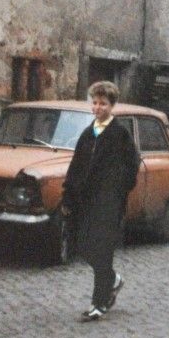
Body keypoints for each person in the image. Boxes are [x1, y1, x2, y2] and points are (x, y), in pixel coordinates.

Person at [63, 81, 140, 322]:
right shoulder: (88, 134)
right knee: (83, 246)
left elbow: (132, 165)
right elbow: (76, 167)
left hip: (108, 203)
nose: (98, 107)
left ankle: (99, 303)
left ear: (112, 105)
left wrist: (118, 191)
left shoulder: (119, 134)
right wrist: (68, 195)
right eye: (95, 103)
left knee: (103, 250)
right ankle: (113, 280)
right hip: (85, 201)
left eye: (103, 104)